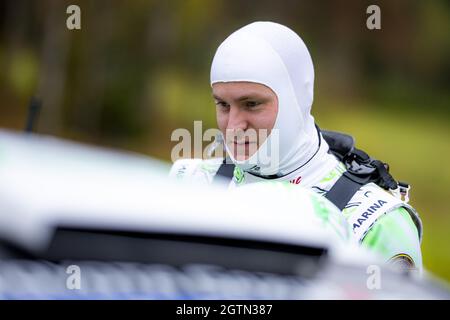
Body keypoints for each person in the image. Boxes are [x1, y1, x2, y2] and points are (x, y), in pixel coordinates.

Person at [169, 21, 423, 274]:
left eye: (251, 104)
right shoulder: (188, 184)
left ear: (297, 99)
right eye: (223, 105)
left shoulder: (376, 221)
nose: (234, 126)